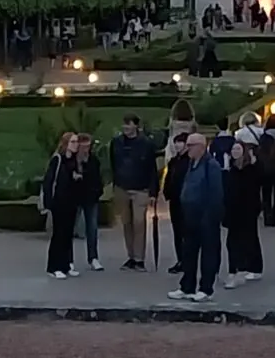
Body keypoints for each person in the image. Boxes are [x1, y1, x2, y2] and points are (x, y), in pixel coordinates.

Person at [168, 133, 225, 302]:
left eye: (191, 145)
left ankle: (206, 289)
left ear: (201, 146)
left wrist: (210, 216)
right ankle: (187, 286)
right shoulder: (191, 164)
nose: (188, 148)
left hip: (206, 216)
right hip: (190, 215)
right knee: (189, 252)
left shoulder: (211, 165)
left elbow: (216, 193)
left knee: (208, 253)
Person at [109, 114, 160, 271]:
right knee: (126, 223)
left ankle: (139, 259)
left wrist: (153, 192)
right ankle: (131, 256)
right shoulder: (116, 143)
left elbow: (153, 169)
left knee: (139, 223)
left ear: (136, 126)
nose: (125, 128)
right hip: (122, 187)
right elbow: (113, 164)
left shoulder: (146, 144)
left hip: (141, 188)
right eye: (124, 125)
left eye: (128, 125)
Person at [223, 139, 264, 289]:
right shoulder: (231, 170)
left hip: (248, 210)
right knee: (232, 241)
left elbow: (259, 183)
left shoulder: (250, 169)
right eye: (233, 150)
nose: (235, 153)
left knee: (250, 238)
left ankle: (252, 267)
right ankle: (236, 270)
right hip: (233, 211)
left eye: (238, 150)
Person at [41, 132, 83, 279]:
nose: (76, 144)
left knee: (67, 235)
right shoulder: (58, 160)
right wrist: (48, 203)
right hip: (59, 203)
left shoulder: (74, 161)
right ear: (65, 144)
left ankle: (66, 265)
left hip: (71, 203)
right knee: (58, 235)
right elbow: (49, 182)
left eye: (77, 142)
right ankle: (54, 267)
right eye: (72, 142)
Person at [75, 132, 105, 271]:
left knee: (92, 228)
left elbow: (97, 178)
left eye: (88, 147)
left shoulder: (93, 160)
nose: (86, 150)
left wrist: (97, 192)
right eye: (83, 147)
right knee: (68, 228)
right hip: (74, 198)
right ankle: (68, 260)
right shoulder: (72, 161)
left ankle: (93, 258)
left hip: (90, 198)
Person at [163, 131, 192, 274]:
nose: (177, 145)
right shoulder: (174, 161)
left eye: (180, 142)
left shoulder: (190, 162)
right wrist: (166, 192)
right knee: (177, 232)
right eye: (176, 142)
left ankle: (187, 260)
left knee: (186, 231)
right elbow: (169, 178)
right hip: (174, 200)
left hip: (186, 201)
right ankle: (180, 259)